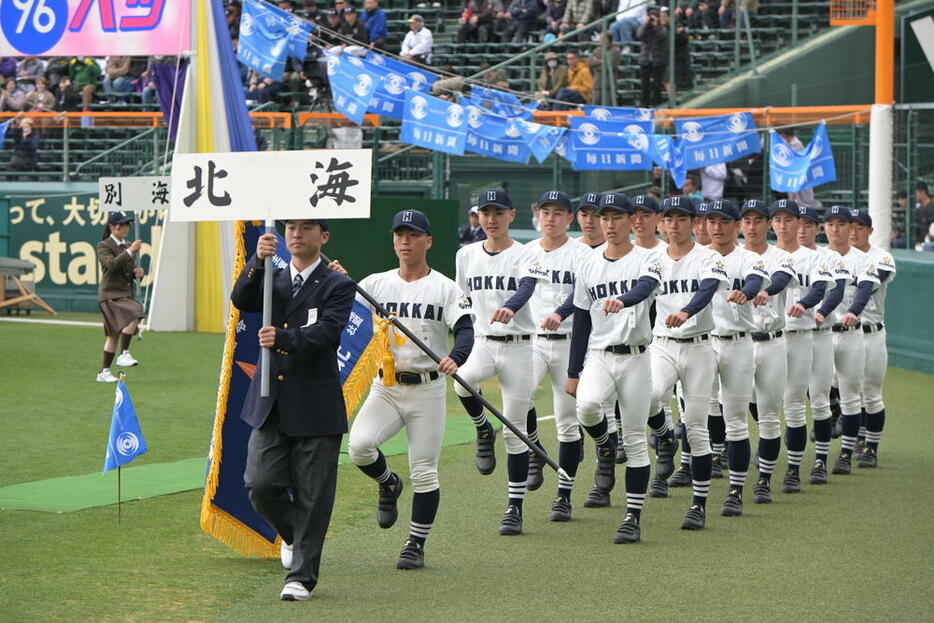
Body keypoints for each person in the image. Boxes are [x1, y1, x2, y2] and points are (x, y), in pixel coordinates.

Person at [342, 210, 474, 570]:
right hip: (385, 385)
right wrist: (336, 281)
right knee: (360, 446)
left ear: (428, 241)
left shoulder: (445, 287)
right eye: (399, 234)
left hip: (427, 390)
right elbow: (346, 314)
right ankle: (388, 484)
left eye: (413, 235)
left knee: (425, 470)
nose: (405, 241)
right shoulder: (375, 284)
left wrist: (456, 357)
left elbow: (464, 330)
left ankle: (415, 543)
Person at [230, 219, 355, 601]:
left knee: (313, 496)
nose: (296, 234)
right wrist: (256, 260)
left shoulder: (339, 284)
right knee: (259, 484)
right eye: (291, 228)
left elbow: (327, 334)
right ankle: (293, 535)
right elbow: (240, 299)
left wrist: (282, 338)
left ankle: (300, 577)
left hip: (315, 405)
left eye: (306, 228)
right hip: (270, 402)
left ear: (324, 236)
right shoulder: (272, 277)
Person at [566, 192, 662, 543]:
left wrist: (622, 300)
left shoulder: (647, 258)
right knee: (588, 407)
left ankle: (632, 517)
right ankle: (605, 445)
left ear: (630, 220)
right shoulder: (588, 263)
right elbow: (580, 321)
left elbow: (646, 287)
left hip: (637, 356)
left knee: (636, 440)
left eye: (615, 217)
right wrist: (573, 371)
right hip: (600, 354)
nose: (608, 223)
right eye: (602, 217)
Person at [454, 188, 537, 535]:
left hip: (519, 346)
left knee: (515, 431)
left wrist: (512, 306)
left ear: (511, 216)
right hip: (484, 341)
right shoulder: (466, 254)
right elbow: (462, 298)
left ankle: (514, 507)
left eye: (498, 212)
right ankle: (482, 427)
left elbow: (527, 286)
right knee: (462, 379)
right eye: (485, 213)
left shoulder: (526, 253)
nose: (491, 219)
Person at [646, 196, 728, 530]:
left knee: (696, 426)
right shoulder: (650, 258)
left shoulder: (708, 256)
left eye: (681, 218)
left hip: (698, 347)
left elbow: (708, 289)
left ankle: (699, 503)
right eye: (669, 219)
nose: (674, 225)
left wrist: (687, 311)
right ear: (661, 223)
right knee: (650, 396)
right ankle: (664, 436)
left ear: (694, 223)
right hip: (662, 345)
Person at [520, 191, 592, 519]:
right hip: (534, 340)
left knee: (567, 422)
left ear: (570, 218)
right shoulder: (525, 252)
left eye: (558, 212)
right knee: (518, 400)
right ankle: (535, 449)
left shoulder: (582, 254)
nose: (550, 217)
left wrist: (561, 314)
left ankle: (564, 495)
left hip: (569, 343)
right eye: (545, 211)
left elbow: (582, 297)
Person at [704, 199, 769, 516]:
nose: (716, 227)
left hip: (739, 344)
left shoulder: (749, 258)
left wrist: (747, 291)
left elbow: (756, 281)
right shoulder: (697, 257)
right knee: (696, 415)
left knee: (736, 422)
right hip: (703, 343)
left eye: (724, 221)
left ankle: (735, 490)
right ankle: (695, 476)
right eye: (711, 221)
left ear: (736, 226)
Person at [771, 200, 836, 493]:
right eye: (778, 220)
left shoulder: (817, 258)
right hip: (770, 338)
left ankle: (812, 462)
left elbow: (822, 290)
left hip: (807, 335)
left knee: (814, 400)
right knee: (765, 403)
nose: (784, 226)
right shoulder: (764, 256)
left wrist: (805, 304)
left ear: (800, 223)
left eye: (790, 220)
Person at [737, 199, 796, 504]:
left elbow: (782, 279)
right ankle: (732, 477)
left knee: (770, 415)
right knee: (733, 411)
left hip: (772, 341)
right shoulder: (728, 256)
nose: (752, 226)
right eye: (746, 221)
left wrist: (765, 291)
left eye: (758, 220)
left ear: (768, 224)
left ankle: (763, 479)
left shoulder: (780, 256)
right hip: (740, 342)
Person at [819, 206, 879, 477]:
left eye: (841, 223)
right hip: (820, 334)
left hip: (850, 333)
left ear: (848, 226)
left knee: (853, 396)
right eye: (830, 223)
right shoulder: (816, 256)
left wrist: (854, 312)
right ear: (824, 228)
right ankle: (827, 431)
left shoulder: (864, 259)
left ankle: (845, 453)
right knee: (815, 392)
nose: (835, 228)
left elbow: (865, 289)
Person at [797, 207, 848, 483]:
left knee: (818, 397)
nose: (802, 230)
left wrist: (821, 311)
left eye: (808, 225)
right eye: (799, 224)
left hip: (820, 334)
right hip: (789, 337)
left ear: (817, 229)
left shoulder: (829, 257)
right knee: (782, 399)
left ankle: (820, 460)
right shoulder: (781, 257)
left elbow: (838, 290)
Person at [849, 210, 895, 468]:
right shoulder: (836, 256)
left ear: (869, 230)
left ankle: (871, 448)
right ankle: (854, 434)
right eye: (850, 226)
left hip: (871, 332)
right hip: (844, 335)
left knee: (872, 394)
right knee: (843, 390)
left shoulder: (882, 257)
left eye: (860, 227)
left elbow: (872, 283)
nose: (854, 232)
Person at [95, 211, 145, 383]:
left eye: (127, 225)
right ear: (111, 227)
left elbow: (128, 271)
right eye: (121, 225)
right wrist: (130, 251)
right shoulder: (104, 245)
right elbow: (112, 265)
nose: (125, 228)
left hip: (124, 294)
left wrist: (137, 273)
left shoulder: (128, 245)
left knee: (114, 335)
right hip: (110, 295)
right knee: (136, 311)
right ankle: (124, 353)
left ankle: (104, 372)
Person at [636, 8, 668, 107]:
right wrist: (647, 24)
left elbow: (661, 36)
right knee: (644, 85)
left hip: (658, 61)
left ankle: (656, 104)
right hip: (645, 60)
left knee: (656, 86)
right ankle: (644, 105)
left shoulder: (662, 28)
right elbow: (639, 35)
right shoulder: (644, 28)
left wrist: (655, 25)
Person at [914, 182, 934, 247]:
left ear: (922, 192)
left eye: (916, 194)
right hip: (918, 242)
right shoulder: (918, 209)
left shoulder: (932, 206)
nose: (916, 196)